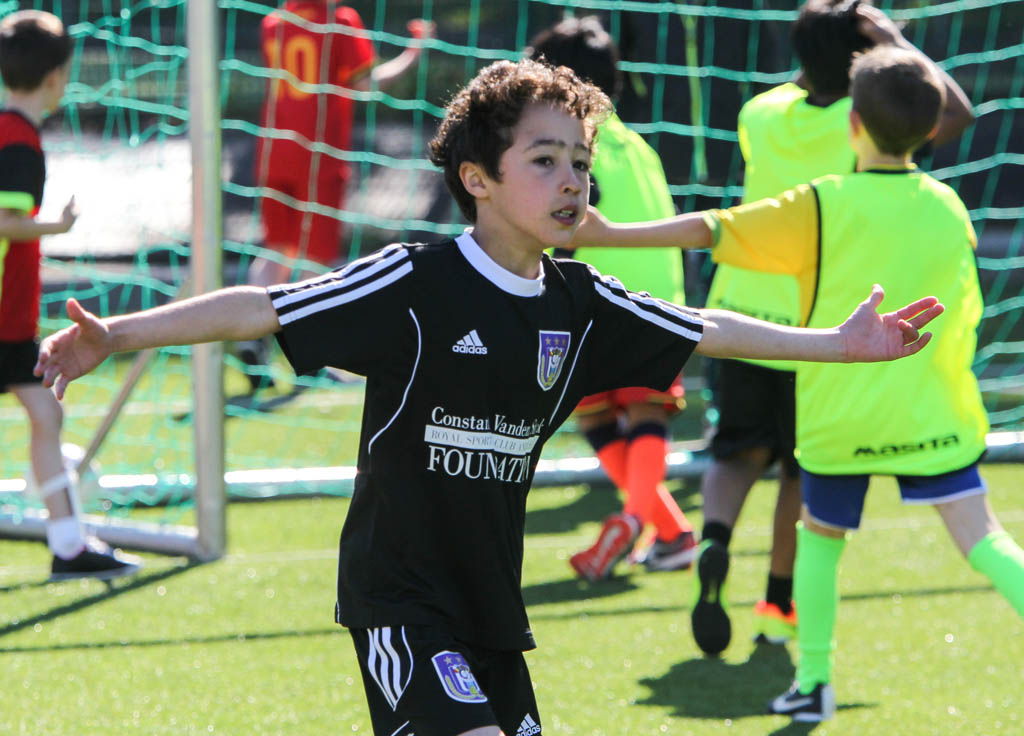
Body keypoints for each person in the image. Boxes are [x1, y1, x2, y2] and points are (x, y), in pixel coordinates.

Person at [35, 58, 943, 736]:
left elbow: (704, 327)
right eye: (544, 160)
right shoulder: (413, 282)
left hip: (494, 612)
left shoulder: (580, 302)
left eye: (580, 161)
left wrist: (839, 344)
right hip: (401, 599)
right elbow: (263, 307)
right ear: (478, 179)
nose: (573, 179)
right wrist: (118, 334)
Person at [573, 46, 1023, 722]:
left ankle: (813, 681)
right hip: (931, 412)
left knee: (821, 537)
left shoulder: (820, 203)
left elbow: (712, 229)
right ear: (932, 130)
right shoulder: (950, 206)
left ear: (853, 125)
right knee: (984, 539)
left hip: (839, 415)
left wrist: (611, 233)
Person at [693, 0, 975, 655]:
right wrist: (891, 39)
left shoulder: (759, 113)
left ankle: (714, 539)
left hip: (738, 314)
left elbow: (801, 86)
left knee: (734, 453)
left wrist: (824, 43)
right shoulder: (864, 122)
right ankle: (776, 602)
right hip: (820, 330)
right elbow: (953, 113)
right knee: (802, 473)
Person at [525, 15, 697, 581]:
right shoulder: (636, 143)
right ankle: (669, 532)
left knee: (598, 416)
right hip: (664, 298)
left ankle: (637, 518)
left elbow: (568, 218)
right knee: (642, 409)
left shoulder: (572, 147)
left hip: (599, 296)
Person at [0, 10, 141, 581]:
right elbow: (7, 222)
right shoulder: (18, 140)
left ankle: (68, 545)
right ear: (58, 76)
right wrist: (56, 226)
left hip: (11, 321)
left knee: (45, 413)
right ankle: (68, 543)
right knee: (46, 413)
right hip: (3, 318)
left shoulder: (10, 131)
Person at [241, 2, 433, 381]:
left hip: (274, 151)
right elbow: (366, 85)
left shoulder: (273, 22)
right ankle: (312, 356)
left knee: (277, 250)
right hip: (317, 154)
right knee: (315, 257)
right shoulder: (340, 20)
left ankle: (249, 337)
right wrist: (415, 53)